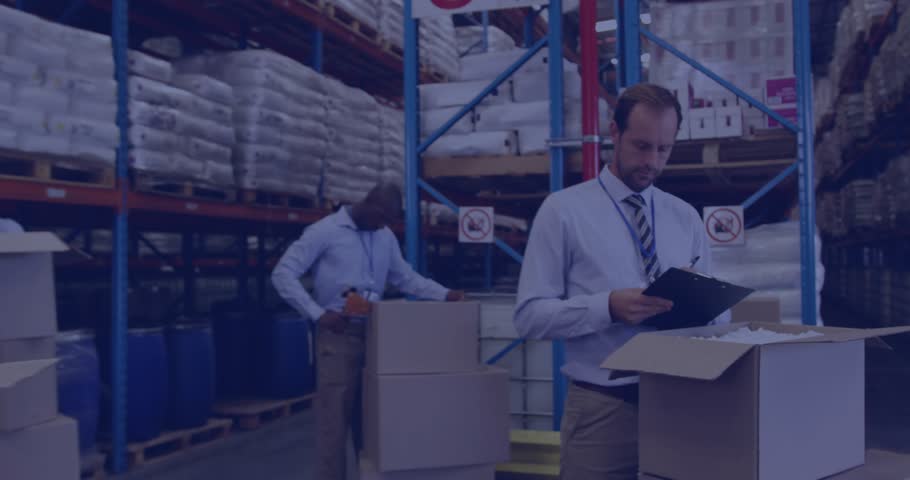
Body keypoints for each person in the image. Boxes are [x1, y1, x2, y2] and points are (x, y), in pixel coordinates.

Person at [513, 83, 730, 480]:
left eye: (663, 149)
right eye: (641, 145)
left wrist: (709, 308)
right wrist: (608, 306)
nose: (651, 161)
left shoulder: (684, 218)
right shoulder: (563, 211)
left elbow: (715, 314)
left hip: (681, 404)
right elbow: (529, 316)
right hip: (603, 411)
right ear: (613, 132)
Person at [271, 183, 464, 480]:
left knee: (372, 422)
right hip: (338, 337)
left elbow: (405, 278)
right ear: (370, 205)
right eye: (382, 218)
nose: (384, 226)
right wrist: (318, 314)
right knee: (333, 422)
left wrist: (445, 294)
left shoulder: (383, 236)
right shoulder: (325, 232)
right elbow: (283, 273)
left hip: (376, 336)